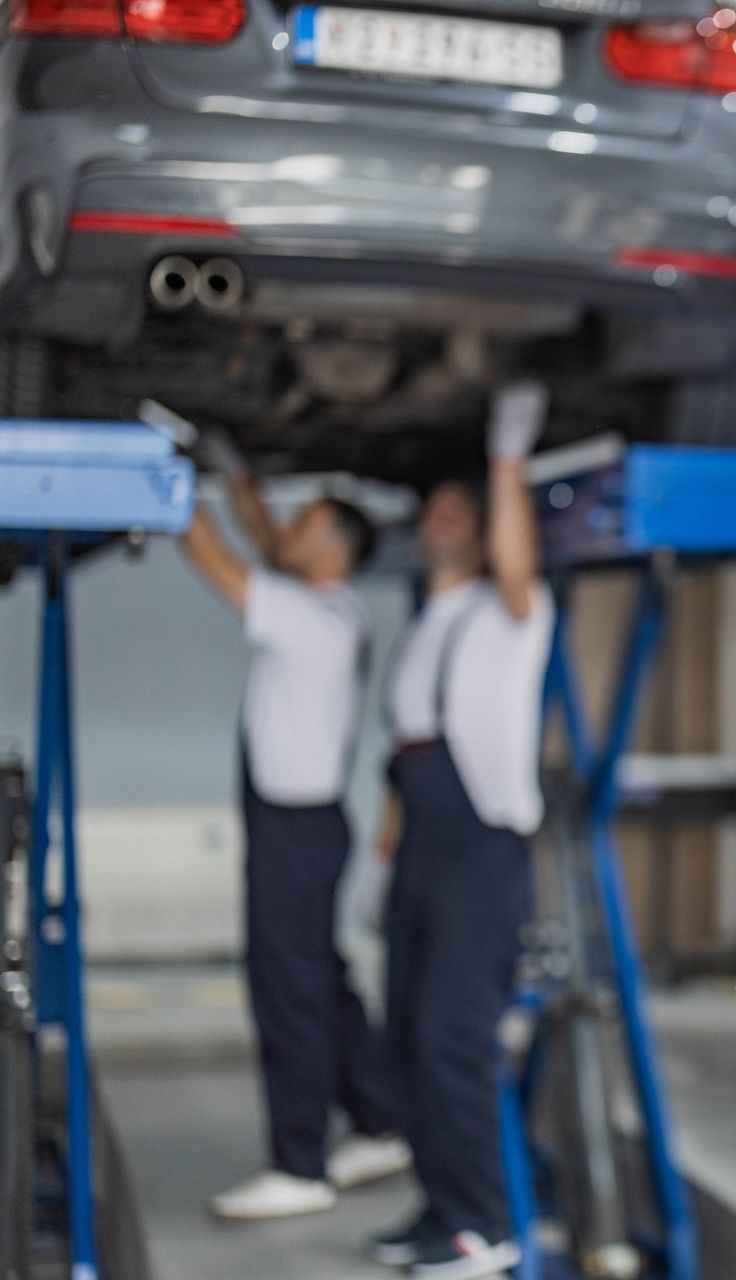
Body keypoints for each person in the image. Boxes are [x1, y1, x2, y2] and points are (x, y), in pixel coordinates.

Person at [177, 455, 409, 1221]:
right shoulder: (327, 605)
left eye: (304, 521)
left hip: (294, 832)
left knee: (289, 995)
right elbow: (263, 540)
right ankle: (379, 1121)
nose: (286, 529)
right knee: (321, 982)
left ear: (333, 547)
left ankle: (299, 1164)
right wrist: (236, 477)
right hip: (309, 826)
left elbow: (211, 557)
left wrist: (167, 477)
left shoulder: (309, 615)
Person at [370, 383, 554, 1280]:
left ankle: (487, 1226)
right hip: (423, 851)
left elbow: (518, 567)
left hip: (481, 851)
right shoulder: (425, 625)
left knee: (452, 1037)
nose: (443, 518)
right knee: (404, 1036)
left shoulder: (509, 612)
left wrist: (506, 458)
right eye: (434, 508)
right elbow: (403, 757)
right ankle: (441, 1209)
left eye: (461, 509)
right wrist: (384, 859)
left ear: (485, 531)